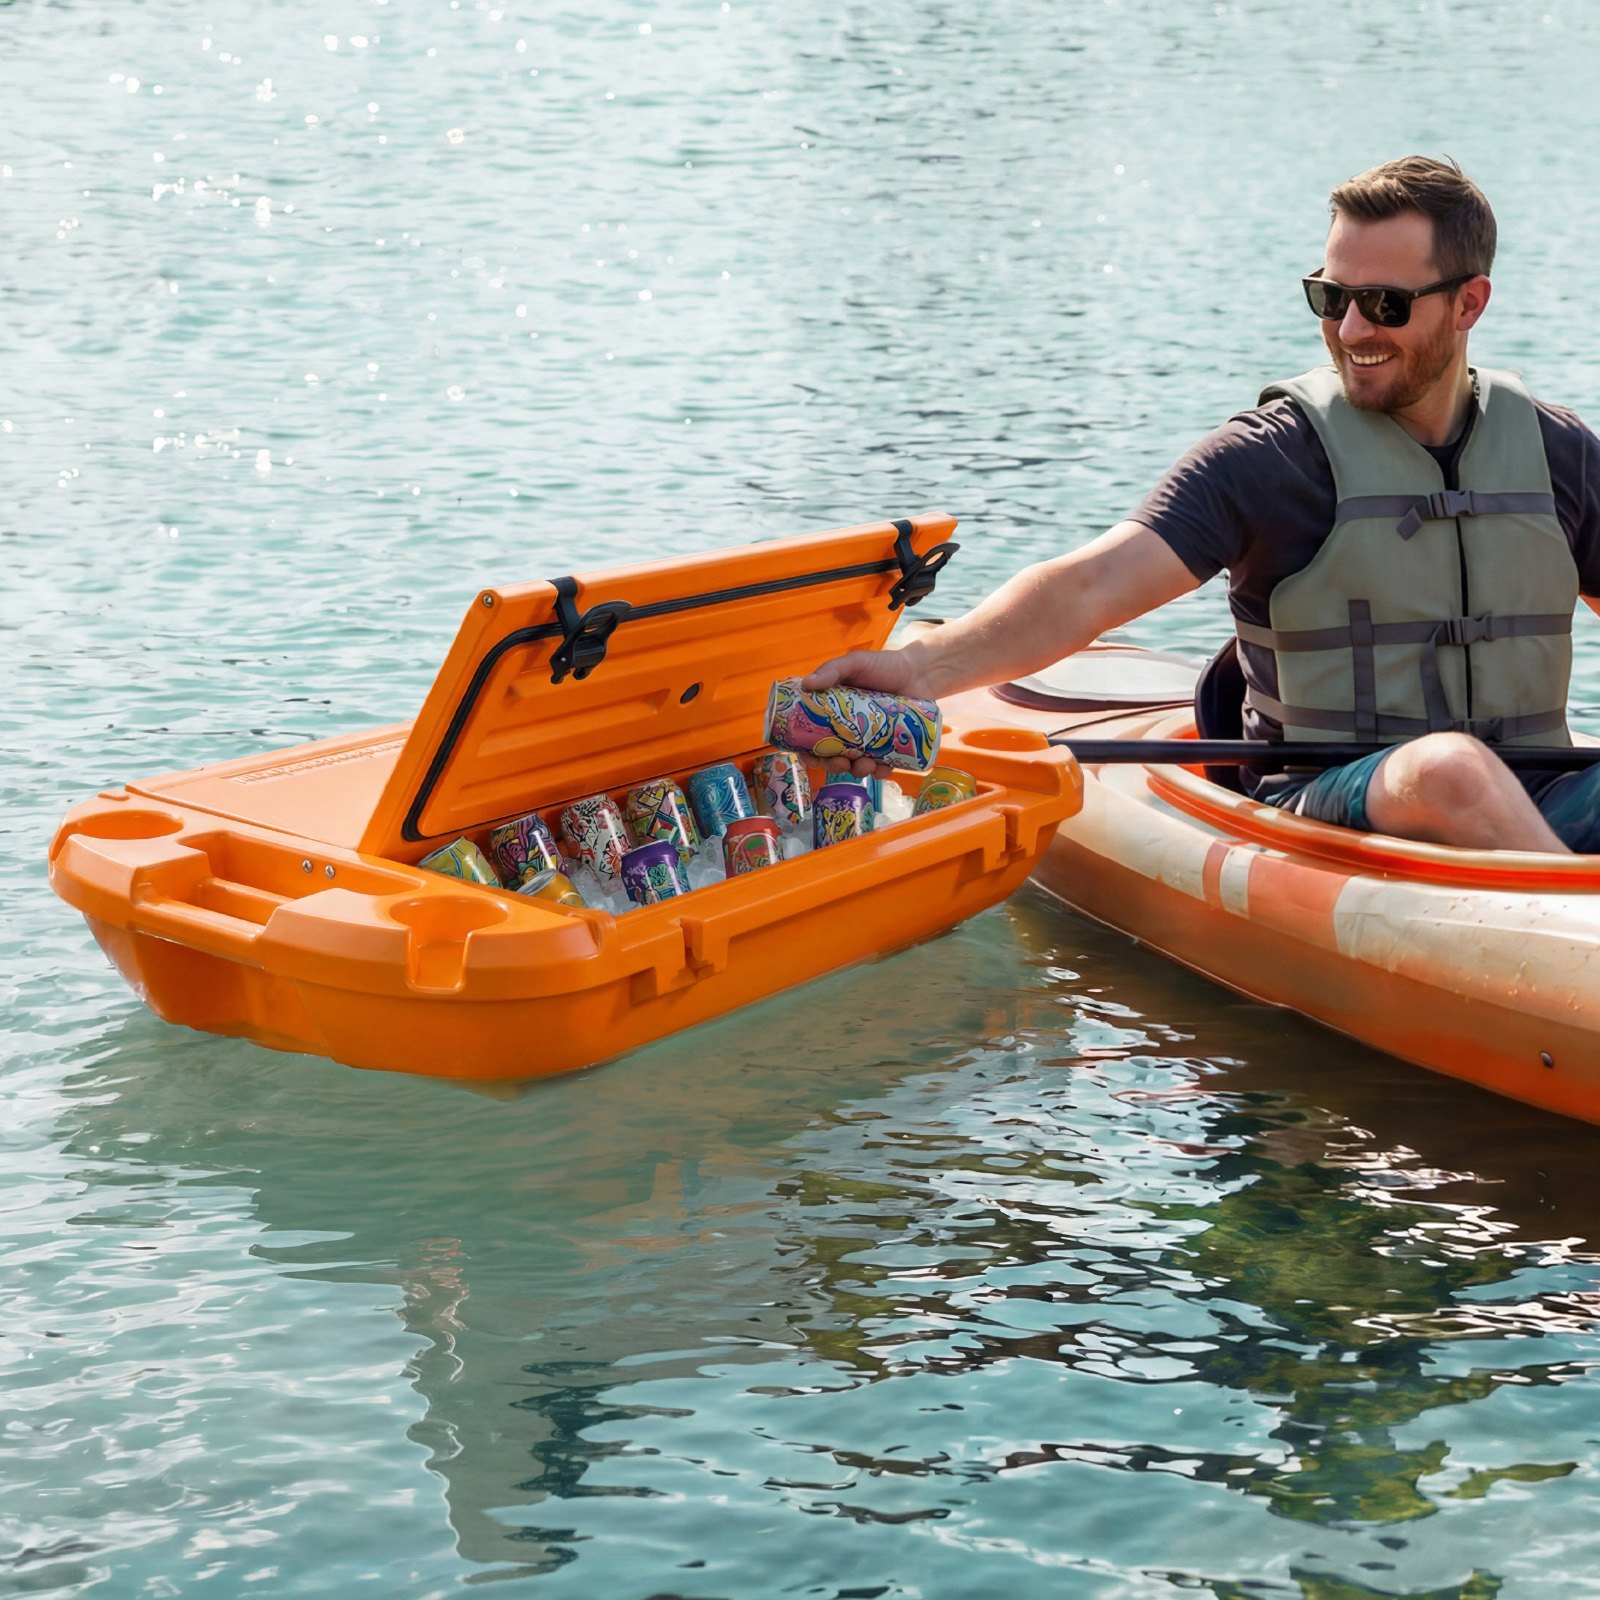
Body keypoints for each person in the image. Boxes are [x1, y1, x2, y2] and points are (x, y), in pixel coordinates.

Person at [805, 156, 1600, 854]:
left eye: (1385, 304)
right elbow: (1091, 587)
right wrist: (916, 668)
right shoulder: (1272, 458)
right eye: (1330, 296)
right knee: (1449, 769)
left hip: (1546, 789)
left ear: (1469, 305)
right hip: (1335, 804)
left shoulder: (1557, 453)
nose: (1350, 327)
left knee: (1466, 772)